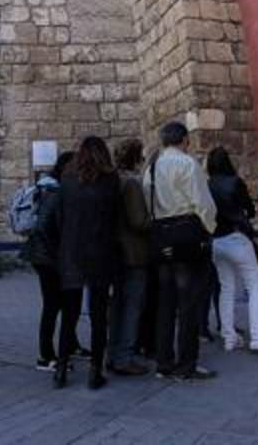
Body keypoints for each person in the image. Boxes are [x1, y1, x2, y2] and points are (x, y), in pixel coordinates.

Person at [142, 121, 216, 380]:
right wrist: (208, 230)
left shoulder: (150, 168)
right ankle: (187, 364)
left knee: (166, 302)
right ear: (184, 140)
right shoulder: (187, 164)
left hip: (161, 235)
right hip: (186, 233)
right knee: (189, 302)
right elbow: (203, 203)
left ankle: (164, 361)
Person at [48, 136, 120, 390]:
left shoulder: (67, 181)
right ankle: (94, 371)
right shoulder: (111, 180)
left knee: (70, 314)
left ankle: (61, 369)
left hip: (71, 252)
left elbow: (59, 218)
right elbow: (115, 219)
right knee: (99, 315)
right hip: (100, 253)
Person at [206, 147, 258, 354]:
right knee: (254, 285)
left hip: (216, 240)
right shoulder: (234, 182)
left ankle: (229, 337)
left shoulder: (207, 185)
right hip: (236, 237)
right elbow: (248, 209)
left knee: (226, 288)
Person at [20, 152, 87, 372]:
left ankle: (71, 345)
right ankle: (45, 355)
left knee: (68, 304)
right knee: (52, 305)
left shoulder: (58, 189)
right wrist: (60, 253)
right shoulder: (55, 192)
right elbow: (44, 227)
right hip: (47, 258)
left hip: (49, 255)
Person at [107, 140, 151, 376]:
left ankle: (112, 354)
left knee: (117, 308)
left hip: (116, 252)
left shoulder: (113, 179)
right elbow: (138, 221)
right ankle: (124, 357)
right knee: (132, 307)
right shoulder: (131, 183)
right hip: (133, 253)